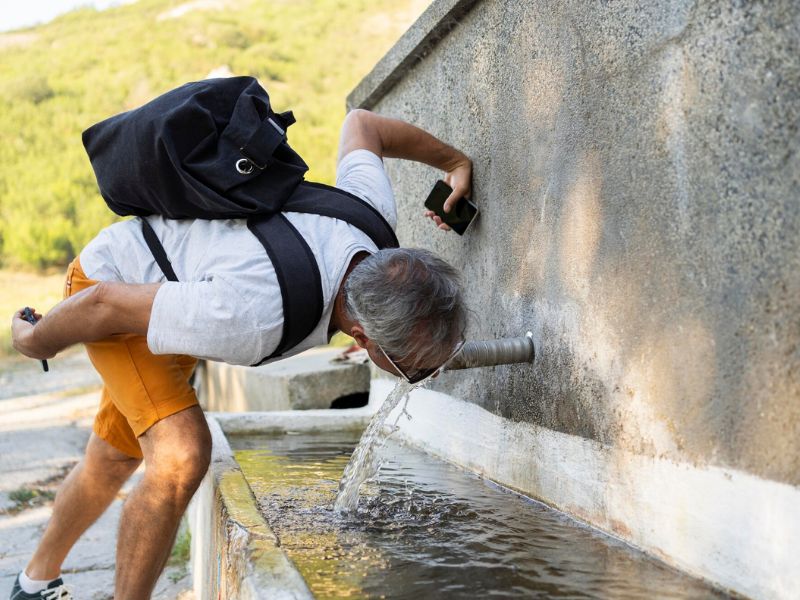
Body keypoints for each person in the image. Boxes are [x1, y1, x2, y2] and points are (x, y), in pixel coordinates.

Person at [9, 107, 472, 599]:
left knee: (113, 456)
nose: (420, 375)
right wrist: (37, 341)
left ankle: (32, 582)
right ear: (361, 338)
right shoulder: (254, 316)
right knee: (180, 455)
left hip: (176, 292)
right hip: (115, 285)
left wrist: (456, 161)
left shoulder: (369, 223)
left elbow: (364, 125)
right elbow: (105, 305)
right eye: (411, 368)